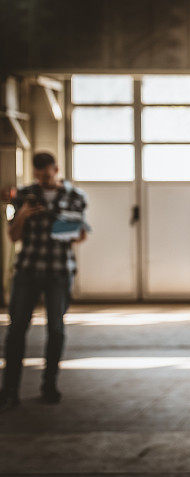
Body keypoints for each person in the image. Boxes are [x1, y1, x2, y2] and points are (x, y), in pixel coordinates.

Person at [0, 151, 88, 411]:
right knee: (16, 330)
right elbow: (13, 236)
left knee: (56, 330)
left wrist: (55, 219)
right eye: (38, 176)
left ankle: (49, 385)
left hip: (59, 271)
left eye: (47, 175)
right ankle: (10, 389)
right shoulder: (25, 195)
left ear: (56, 169)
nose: (42, 180)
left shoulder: (75, 196)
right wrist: (24, 214)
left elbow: (79, 236)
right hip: (27, 269)